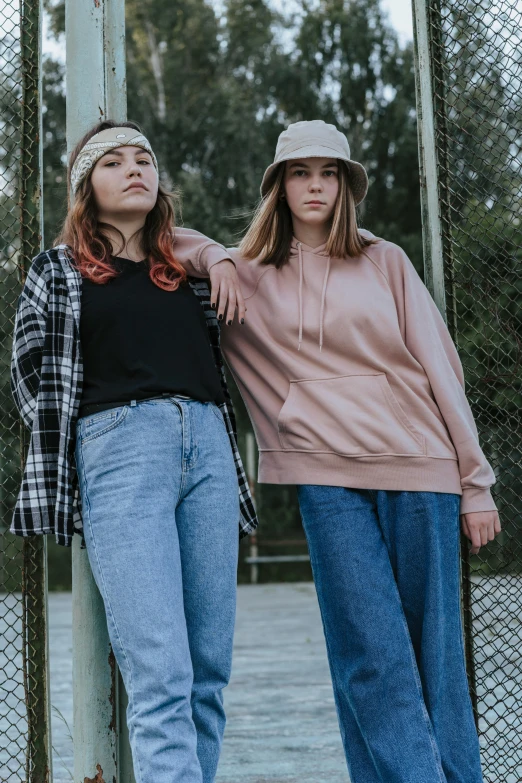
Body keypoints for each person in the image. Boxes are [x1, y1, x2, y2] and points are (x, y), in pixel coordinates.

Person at [215, 120, 501, 783]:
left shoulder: (385, 260)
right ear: (278, 186)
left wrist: (475, 479)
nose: (314, 185)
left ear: (346, 184)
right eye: (299, 172)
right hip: (325, 478)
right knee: (367, 655)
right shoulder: (246, 274)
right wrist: (215, 256)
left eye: (328, 173)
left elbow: (440, 368)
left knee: (436, 656)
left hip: (420, 466)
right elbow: (171, 243)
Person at [11, 120, 256, 783]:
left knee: (208, 669)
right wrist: (94, 441)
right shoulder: (57, 271)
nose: (135, 168)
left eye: (145, 158)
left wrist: (220, 255)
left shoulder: (186, 272)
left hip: (207, 448)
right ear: (86, 185)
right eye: (114, 161)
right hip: (121, 450)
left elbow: (235, 278)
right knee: (161, 672)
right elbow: (29, 372)